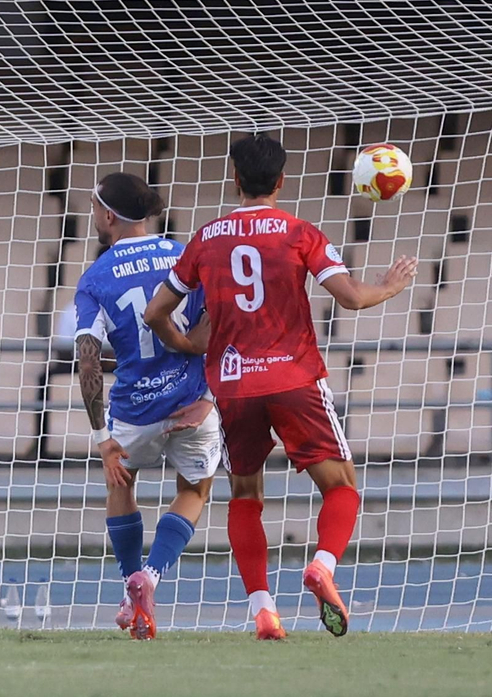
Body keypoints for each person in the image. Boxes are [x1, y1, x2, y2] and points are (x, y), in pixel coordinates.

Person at [145, 134, 419, 640]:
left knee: (245, 494)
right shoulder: (301, 233)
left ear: (234, 179)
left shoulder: (205, 238)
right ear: (281, 181)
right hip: (294, 379)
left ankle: (264, 609)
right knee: (341, 486)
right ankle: (322, 566)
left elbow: (154, 311)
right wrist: (391, 285)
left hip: (233, 386)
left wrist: (185, 344)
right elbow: (352, 298)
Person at [72, 172, 218, 640]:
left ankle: (127, 587)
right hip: (190, 403)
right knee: (195, 490)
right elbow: (225, 316)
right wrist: (211, 398)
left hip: (133, 411)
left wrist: (103, 439)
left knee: (122, 481)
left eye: (95, 206)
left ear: (109, 215)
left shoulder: (94, 279)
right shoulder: (184, 254)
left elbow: (88, 359)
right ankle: (150, 578)